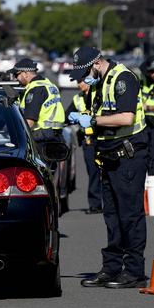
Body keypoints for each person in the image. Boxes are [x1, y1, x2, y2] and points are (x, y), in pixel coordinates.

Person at [68, 46, 148, 289]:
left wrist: (91, 120)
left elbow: (126, 118)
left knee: (129, 215)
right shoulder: (99, 83)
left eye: (84, 72)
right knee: (112, 215)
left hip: (128, 156)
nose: (82, 78)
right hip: (109, 156)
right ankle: (112, 267)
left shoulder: (122, 78)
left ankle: (134, 270)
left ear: (96, 63)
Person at [65, 79, 102, 214]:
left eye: (81, 81)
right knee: (93, 172)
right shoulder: (77, 98)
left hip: (102, 138)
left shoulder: (99, 94)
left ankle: (110, 203)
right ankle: (95, 204)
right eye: (78, 82)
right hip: (88, 140)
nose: (79, 84)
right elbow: (66, 116)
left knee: (106, 172)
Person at [9, 58, 65, 146]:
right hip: (56, 135)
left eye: (17, 75)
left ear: (25, 74)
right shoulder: (49, 84)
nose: (16, 79)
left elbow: (29, 122)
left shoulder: (35, 89)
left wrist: (16, 137)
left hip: (42, 138)